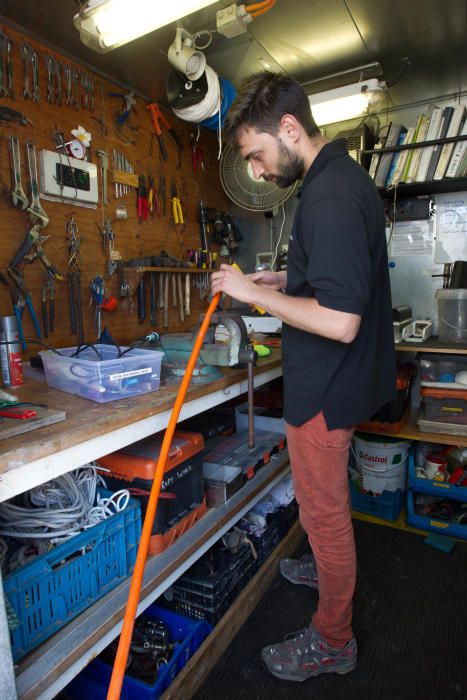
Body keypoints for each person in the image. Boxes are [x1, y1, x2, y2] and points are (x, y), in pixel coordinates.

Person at [211, 71, 396, 683]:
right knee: (326, 511)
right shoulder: (335, 180)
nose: (258, 173)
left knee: (323, 513)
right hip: (332, 383)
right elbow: (335, 281)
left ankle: (333, 639)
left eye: (257, 155)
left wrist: (249, 294)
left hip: (325, 389)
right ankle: (325, 565)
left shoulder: (331, 198)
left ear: (289, 129)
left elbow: (341, 320)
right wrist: (282, 283)